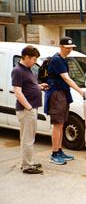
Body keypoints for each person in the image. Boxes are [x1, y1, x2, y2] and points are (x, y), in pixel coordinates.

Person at [44, 37, 86, 165]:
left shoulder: (63, 59)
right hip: (56, 94)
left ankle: (59, 150)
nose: (70, 50)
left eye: (71, 48)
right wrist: (81, 92)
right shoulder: (57, 59)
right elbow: (66, 78)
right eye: (67, 48)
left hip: (63, 94)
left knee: (62, 124)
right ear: (61, 46)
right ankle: (54, 154)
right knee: (57, 125)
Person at [11, 46, 49, 174]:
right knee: (27, 139)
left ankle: (28, 161)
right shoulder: (18, 71)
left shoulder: (27, 69)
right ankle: (26, 165)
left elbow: (28, 86)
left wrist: (39, 86)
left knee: (29, 138)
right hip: (26, 110)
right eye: (33, 59)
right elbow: (18, 92)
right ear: (26, 57)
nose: (34, 62)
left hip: (31, 108)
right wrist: (29, 107)